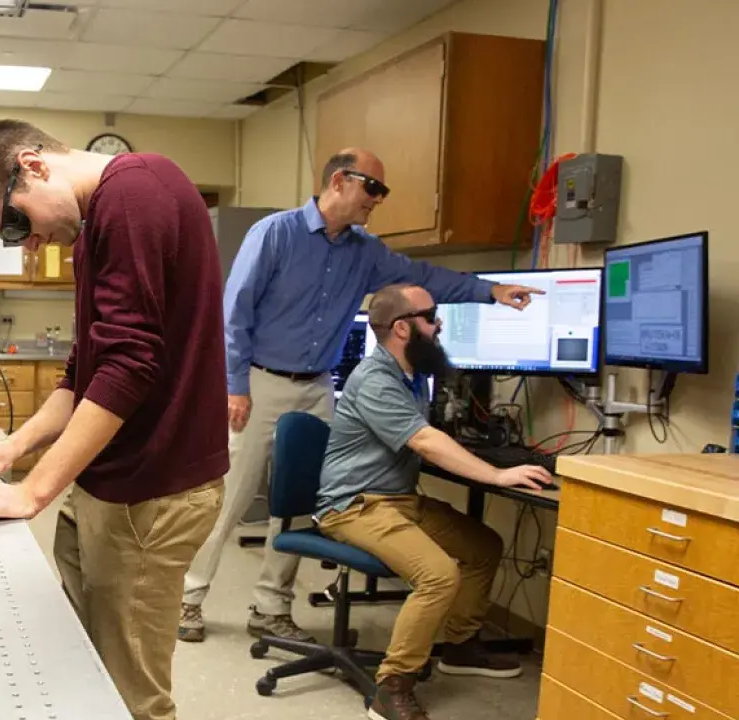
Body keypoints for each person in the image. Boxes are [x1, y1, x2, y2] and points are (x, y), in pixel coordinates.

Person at [0, 120, 228, 720]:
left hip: (151, 495)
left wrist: (34, 493)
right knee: (89, 683)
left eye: (14, 221)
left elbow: (130, 366)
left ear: (32, 165)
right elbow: (85, 371)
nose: (26, 241)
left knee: (136, 705)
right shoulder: (106, 220)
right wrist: (13, 448)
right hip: (113, 488)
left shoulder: (132, 193)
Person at [179, 147, 543, 644]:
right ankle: (187, 600)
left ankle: (270, 607)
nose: (379, 198)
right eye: (373, 187)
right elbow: (234, 313)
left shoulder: (366, 252)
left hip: (316, 385)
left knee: (300, 504)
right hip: (258, 384)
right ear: (337, 182)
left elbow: (424, 279)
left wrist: (489, 290)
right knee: (230, 498)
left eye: (382, 190)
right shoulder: (276, 234)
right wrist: (234, 386)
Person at [315, 284, 552, 720]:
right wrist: (497, 475)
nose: (439, 324)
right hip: (354, 505)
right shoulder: (376, 378)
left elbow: (425, 435)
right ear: (402, 327)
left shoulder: (411, 373)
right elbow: (423, 442)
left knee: (483, 547)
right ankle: (393, 688)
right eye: (432, 316)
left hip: (397, 500)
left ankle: (460, 645)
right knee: (439, 574)